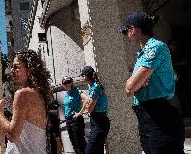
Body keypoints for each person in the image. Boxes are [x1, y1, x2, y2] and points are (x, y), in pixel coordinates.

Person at [121, 11, 185, 154]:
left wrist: (134, 83)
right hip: (145, 116)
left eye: (126, 31)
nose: (125, 35)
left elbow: (130, 86)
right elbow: (128, 90)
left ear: (134, 29)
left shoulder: (155, 47)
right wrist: (135, 84)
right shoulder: (142, 53)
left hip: (159, 115)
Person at [0, 49, 52, 154]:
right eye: (12, 66)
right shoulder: (38, 95)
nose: (12, 70)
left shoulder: (22, 94)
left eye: (16, 67)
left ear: (29, 69)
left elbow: (12, 136)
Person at [81, 66, 110, 154]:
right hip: (97, 121)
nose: (82, 77)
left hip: (99, 122)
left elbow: (89, 109)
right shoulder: (93, 87)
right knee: (98, 151)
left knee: (89, 151)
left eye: (83, 75)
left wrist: (86, 103)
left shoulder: (95, 88)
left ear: (86, 76)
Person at [62, 76, 87, 154]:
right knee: (74, 144)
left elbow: (86, 99)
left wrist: (80, 112)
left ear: (72, 83)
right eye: (65, 83)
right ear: (63, 84)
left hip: (76, 120)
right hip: (68, 121)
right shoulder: (66, 94)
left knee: (80, 144)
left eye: (68, 82)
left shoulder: (76, 91)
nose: (67, 84)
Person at [168, 38, 190, 117]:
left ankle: (187, 112)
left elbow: (185, 62)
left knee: (185, 94)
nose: (172, 47)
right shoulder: (169, 54)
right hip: (176, 78)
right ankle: (185, 112)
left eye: (174, 45)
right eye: (170, 45)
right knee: (181, 96)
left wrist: (174, 64)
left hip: (184, 77)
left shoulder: (180, 53)